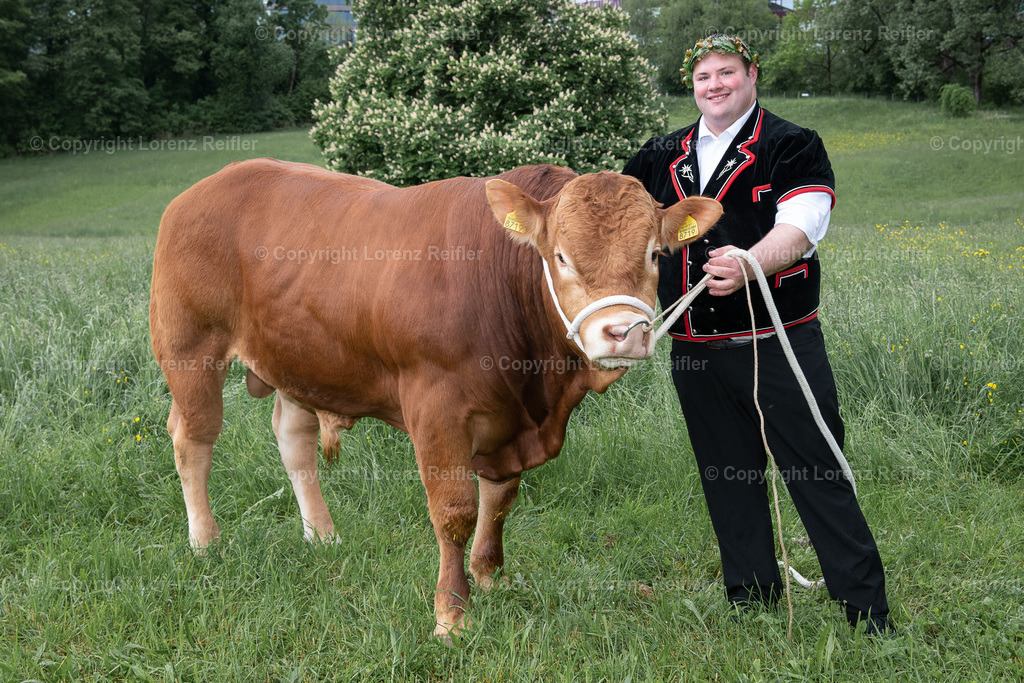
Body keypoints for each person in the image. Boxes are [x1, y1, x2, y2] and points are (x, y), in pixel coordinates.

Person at [622, 34, 891, 635]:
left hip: (778, 344)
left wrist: (752, 262)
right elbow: (619, 220)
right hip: (694, 350)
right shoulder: (659, 154)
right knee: (725, 472)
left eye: (726, 73)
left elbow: (803, 224)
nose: (714, 86)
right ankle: (752, 595)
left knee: (816, 472)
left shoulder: (791, 144)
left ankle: (867, 611)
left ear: (751, 75)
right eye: (702, 78)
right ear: (691, 86)